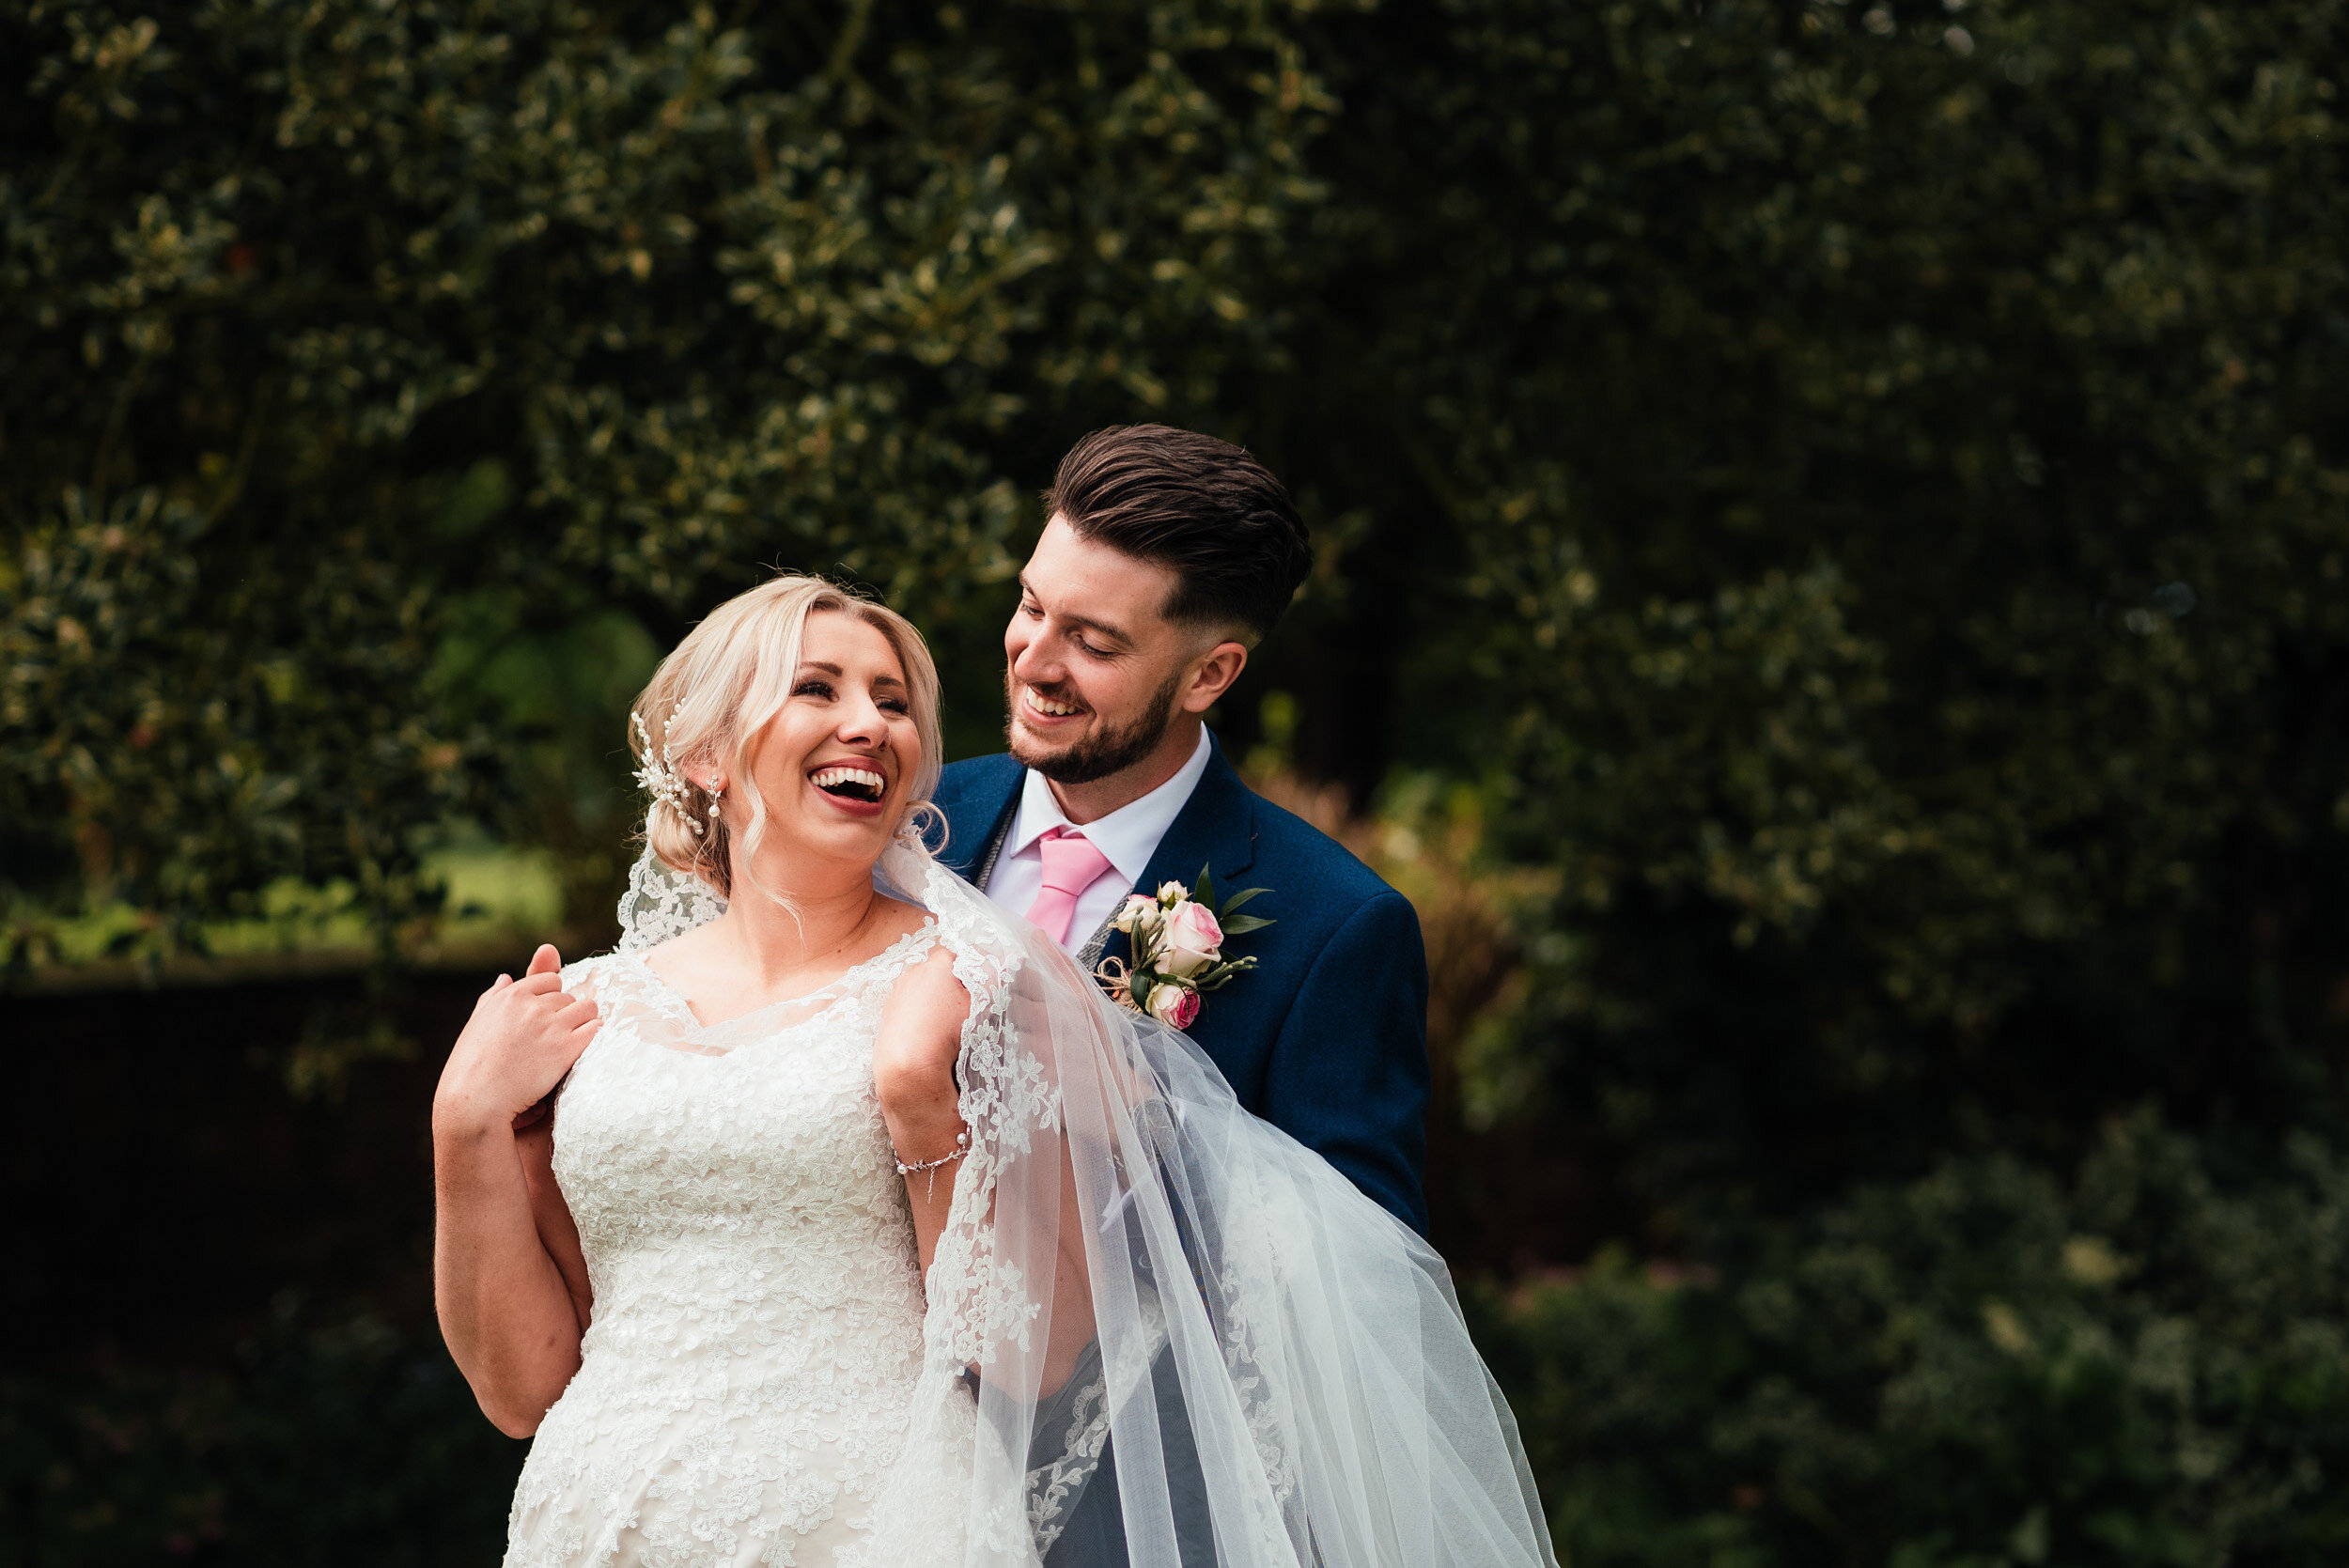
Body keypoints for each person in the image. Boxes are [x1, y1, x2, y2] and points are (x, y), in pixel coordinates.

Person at [435, 574, 1554, 1567]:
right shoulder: (600, 1006)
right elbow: (525, 1387)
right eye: (817, 688)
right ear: (705, 752)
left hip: (867, 1525)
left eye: (892, 699)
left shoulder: (980, 978)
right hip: (594, 1524)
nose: (868, 723)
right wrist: (465, 1124)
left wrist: (922, 1094)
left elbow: (1036, 1355)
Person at [933, 425, 1432, 1235]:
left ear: (1210, 674)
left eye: (1093, 642)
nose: (1034, 660)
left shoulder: (1338, 928)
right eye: (1031, 605)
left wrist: (1149, 1114)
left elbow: (1373, 1271)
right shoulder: (912, 823)